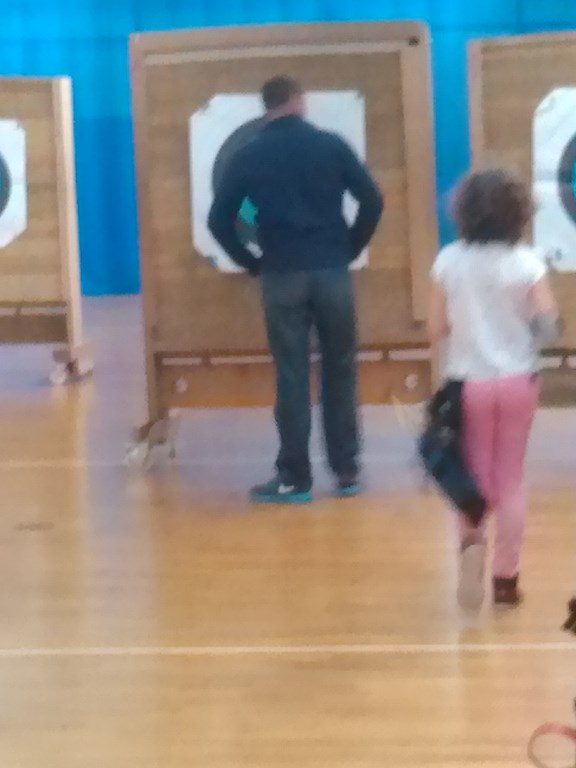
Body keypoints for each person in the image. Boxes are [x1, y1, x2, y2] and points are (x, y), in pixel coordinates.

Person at [208, 76, 383, 504]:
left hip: (281, 274)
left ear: (266, 106)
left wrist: (251, 262)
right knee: (340, 369)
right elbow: (373, 200)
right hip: (331, 272)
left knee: (291, 374)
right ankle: (346, 472)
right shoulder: (330, 145)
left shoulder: (250, 154)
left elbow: (220, 220)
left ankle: (294, 479)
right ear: (299, 100)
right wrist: (349, 247)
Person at [427, 169, 560, 610]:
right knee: (511, 479)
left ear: (463, 212)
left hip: (469, 381)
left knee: (474, 478)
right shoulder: (527, 262)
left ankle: (471, 548)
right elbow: (547, 325)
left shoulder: (448, 261)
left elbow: (435, 327)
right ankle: (506, 580)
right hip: (519, 381)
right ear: (519, 213)